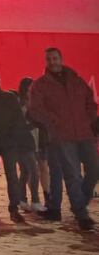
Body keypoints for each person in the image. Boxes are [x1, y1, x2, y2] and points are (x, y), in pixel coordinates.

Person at [29, 47, 99, 231]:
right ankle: (81, 214)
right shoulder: (40, 85)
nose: (52, 62)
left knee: (94, 170)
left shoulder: (76, 80)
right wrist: (52, 120)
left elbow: (89, 102)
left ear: (61, 58)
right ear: (46, 61)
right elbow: (35, 109)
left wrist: (92, 119)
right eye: (49, 59)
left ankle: (79, 203)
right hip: (62, 136)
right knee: (72, 174)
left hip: (85, 133)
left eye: (55, 58)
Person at [0, 71, 31, 224]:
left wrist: (18, 138)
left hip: (8, 142)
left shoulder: (9, 97)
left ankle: (13, 208)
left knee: (12, 175)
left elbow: (18, 119)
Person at [16, 78, 44, 212]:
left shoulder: (36, 101)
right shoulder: (20, 103)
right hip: (24, 141)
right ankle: (35, 200)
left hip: (36, 139)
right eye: (30, 87)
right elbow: (18, 123)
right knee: (33, 170)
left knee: (26, 171)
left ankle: (22, 199)